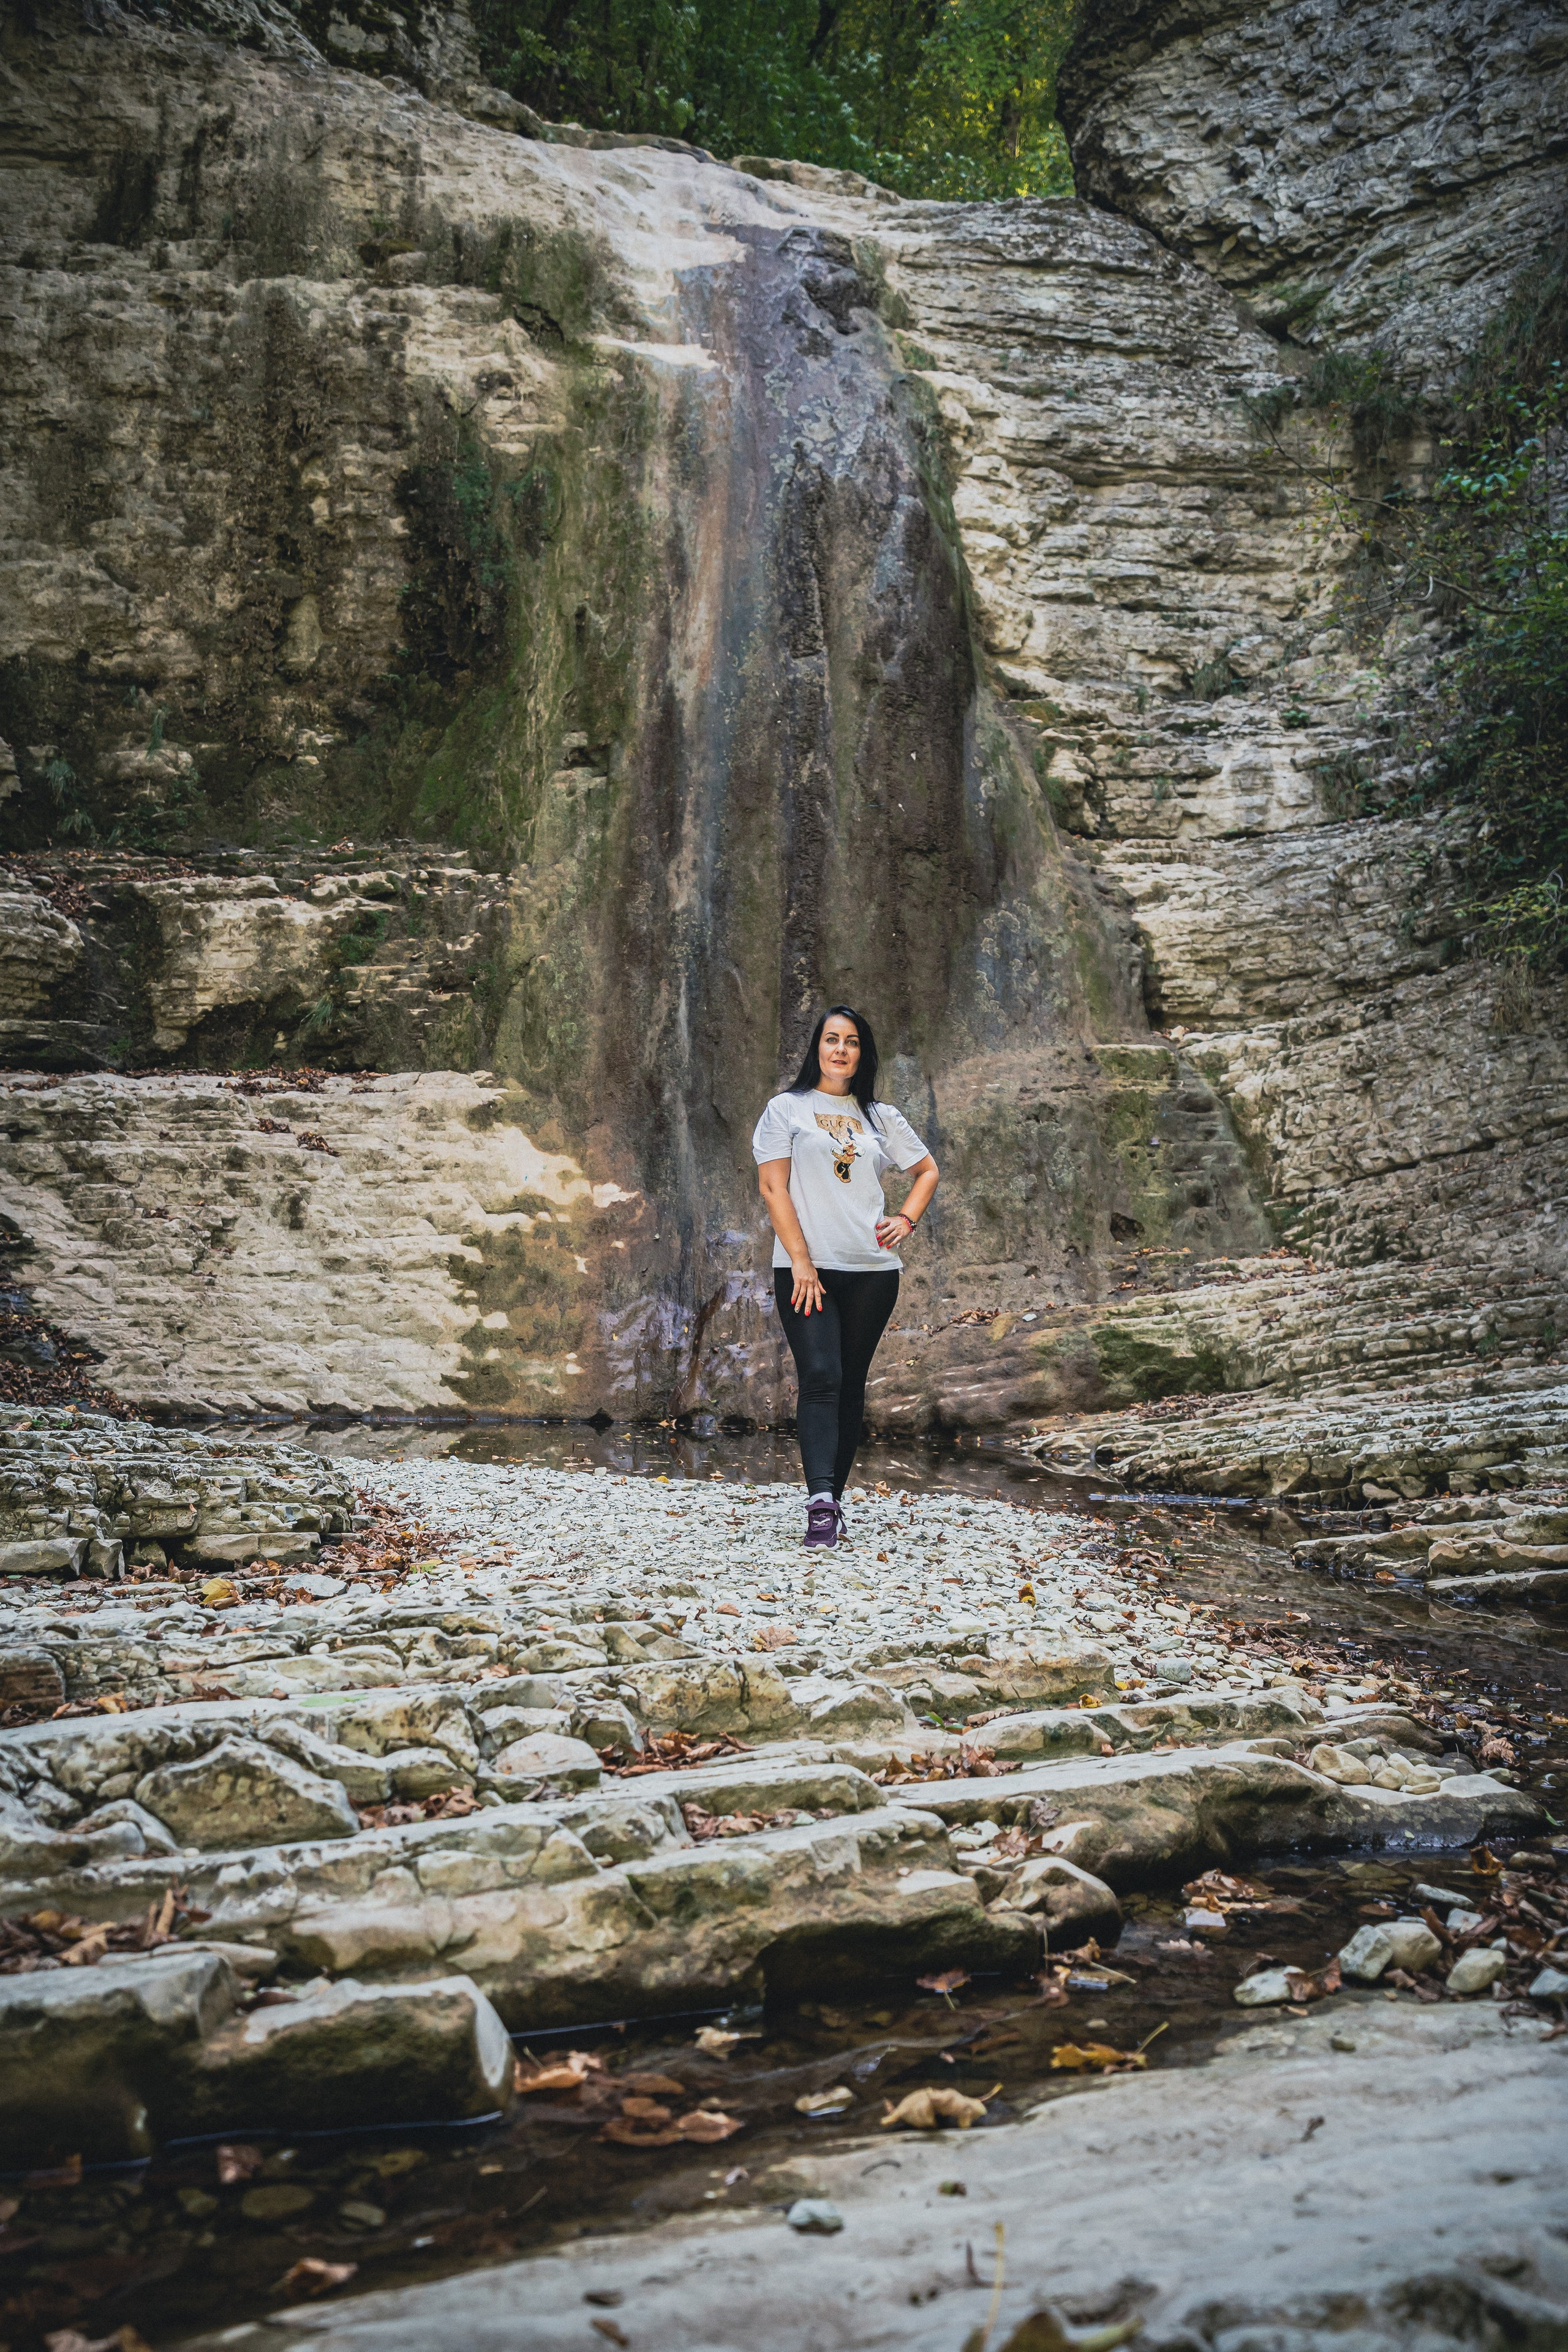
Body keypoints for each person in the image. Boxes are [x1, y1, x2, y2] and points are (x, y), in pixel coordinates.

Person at [752, 1006, 938, 1547]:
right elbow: (773, 1189)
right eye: (832, 1040)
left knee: (850, 1383)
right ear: (817, 1048)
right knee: (820, 1377)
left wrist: (906, 1218)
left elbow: (926, 1170)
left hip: (872, 1271)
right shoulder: (786, 1109)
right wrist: (802, 1260)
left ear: (862, 1053)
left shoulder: (880, 1116)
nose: (840, 1050)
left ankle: (833, 1499)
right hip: (805, 1270)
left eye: (851, 1042)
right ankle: (819, 1505)